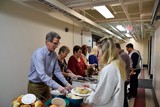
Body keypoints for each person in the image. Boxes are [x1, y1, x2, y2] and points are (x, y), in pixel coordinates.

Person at [83, 37, 126, 107]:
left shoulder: (110, 69)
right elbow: (106, 87)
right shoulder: (116, 64)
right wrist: (90, 85)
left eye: (99, 52)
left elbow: (102, 96)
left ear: (105, 52)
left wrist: (86, 100)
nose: (98, 55)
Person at [28, 32, 72, 100]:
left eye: (58, 43)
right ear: (47, 42)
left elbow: (57, 71)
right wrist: (58, 87)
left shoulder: (54, 55)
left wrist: (66, 83)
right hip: (35, 86)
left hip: (46, 84)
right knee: (37, 104)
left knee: (48, 103)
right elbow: (42, 75)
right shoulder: (39, 53)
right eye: (55, 43)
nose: (57, 46)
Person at [115, 43, 130, 107]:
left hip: (124, 78)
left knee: (122, 97)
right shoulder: (122, 54)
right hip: (125, 77)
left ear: (117, 48)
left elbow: (121, 68)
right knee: (123, 96)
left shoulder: (122, 55)